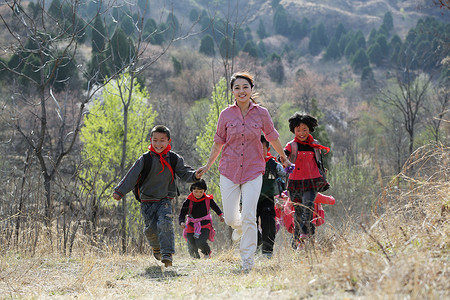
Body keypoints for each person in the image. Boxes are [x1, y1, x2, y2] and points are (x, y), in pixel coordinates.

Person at [196, 71, 290, 271]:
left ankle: (247, 260)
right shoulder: (226, 114)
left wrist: (282, 155)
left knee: (248, 214)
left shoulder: (261, 113)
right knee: (231, 219)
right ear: (232, 91)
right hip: (229, 170)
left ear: (251, 89)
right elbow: (218, 142)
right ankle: (241, 228)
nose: (241, 91)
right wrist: (207, 165)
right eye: (237, 88)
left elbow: (272, 136)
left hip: (254, 170)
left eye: (245, 87)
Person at [113, 125, 201, 267]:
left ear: (168, 141)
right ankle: (156, 248)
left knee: (165, 223)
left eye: (162, 140)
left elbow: (185, 173)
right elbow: (132, 176)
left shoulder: (173, 158)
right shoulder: (145, 159)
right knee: (151, 229)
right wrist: (119, 191)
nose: (158, 144)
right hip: (147, 199)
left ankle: (167, 254)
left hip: (165, 198)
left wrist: (195, 175)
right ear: (151, 140)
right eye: (155, 140)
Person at [283, 112, 330, 249]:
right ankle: (298, 242)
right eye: (298, 130)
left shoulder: (314, 145)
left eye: (304, 130)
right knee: (298, 213)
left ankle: (304, 235)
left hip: (311, 181)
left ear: (309, 129)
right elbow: (284, 154)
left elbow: (319, 161)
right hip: (295, 182)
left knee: (308, 207)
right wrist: (283, 159)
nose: (301, 133)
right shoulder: (291, 145)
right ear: (294, 130)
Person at [257, 135, 286, 258]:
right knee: (249, 225)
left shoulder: (273, 164)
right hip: (250, 199)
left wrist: (287, 166)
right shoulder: (245, 164)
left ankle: (267, 252)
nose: (258, 152)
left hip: (267, 198)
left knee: (269, 224)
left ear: (268, 150)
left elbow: (285, 174)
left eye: (261, 148)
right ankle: (255, 244)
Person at [179, 179, 225, 259]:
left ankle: (207, 252)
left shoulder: (208, 199)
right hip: (191, 224)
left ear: (204, 190)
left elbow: (215, 207)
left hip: (205, 224)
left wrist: (220, 215)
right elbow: (182, 213)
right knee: (191, 242)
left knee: (200, 242)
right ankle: (195, 258)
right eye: (196, 191)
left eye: (200, 192)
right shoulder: (188, 201)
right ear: (192, 190)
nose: (198, 194)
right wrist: (181, 222)